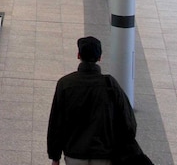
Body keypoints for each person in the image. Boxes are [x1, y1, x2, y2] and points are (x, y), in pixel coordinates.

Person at [47, 36, 138, 165]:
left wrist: (55, 156)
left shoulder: (65, 84)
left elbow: (56, 123)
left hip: (74, 154)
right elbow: (128, 122)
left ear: (78, 55)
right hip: (104, 155)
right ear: (100, 58)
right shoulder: (110, 84)